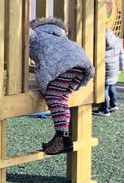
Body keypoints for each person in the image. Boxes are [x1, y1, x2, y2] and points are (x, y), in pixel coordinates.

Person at [28, 17, 95, 155]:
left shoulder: (37, 34)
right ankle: (63, 137)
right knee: (62, 98)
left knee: (54, 97)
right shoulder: (59, 35)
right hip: (82, 66)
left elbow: (25, 33)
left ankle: (62, 139)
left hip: (64, 66)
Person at [97, 29, 124, 116]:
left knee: (104, 90)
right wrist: (121, 68)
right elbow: (122, 56)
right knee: (112, 86)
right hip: (114, 70)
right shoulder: (117, 42)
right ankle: (114, 104)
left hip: (105, 71)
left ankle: (105, 109)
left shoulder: (100, 44)